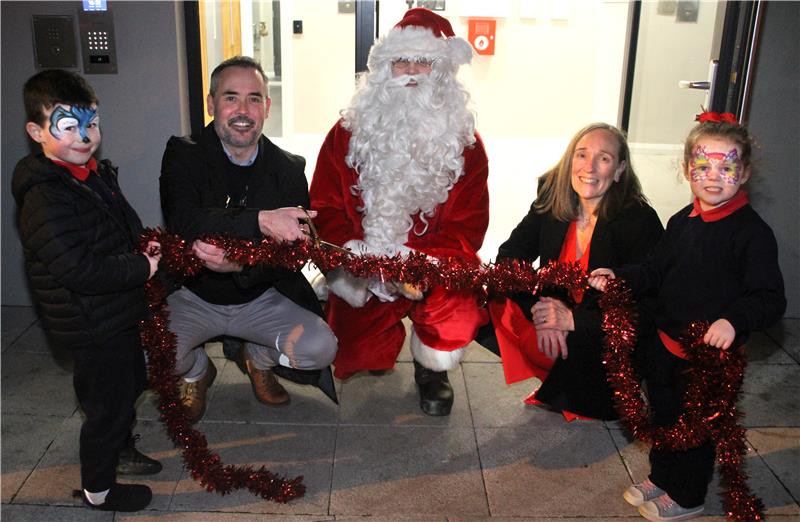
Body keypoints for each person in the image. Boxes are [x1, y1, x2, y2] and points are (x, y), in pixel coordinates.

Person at [589, 115, 786, 521]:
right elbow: (655, 269)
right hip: (665, 344)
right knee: (665, 416)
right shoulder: (683, 220)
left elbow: (770, 298)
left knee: (695, 431)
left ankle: (688, 494)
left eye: (726, 167)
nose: (713, 177)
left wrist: (733, 320)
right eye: (702, 166)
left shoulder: (751, 234)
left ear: (744, 172)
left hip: (709, 361)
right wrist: (620, 276)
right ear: (686, 170)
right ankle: (663, 476)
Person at [309, 8, 489, 417]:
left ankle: (431, 370)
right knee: (352, 345)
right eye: (400, 62)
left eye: (422, 62)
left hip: (434, 265)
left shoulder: (466, 143)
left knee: (455, 309)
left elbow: (468, 225)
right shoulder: (346, 133)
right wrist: (355, 255)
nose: (410, 72)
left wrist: (418, 266)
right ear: (383, 70)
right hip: (364, 265)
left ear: (441, 72)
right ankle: (352, 319)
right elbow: (324, 208)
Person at [12, 70, 163, 512]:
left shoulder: (89, 173)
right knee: (106, 406)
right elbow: (78, 268)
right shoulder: (45, 195)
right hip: (89, 321)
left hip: (114, 311)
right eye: (68, 126)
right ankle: (100, 490)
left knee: (132, 380)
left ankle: (117, 443)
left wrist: (142, 245)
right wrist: (142, 267)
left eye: (91, 123)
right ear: (37, 132)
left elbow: (118, 228)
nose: (85, 135)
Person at [159, 56, 338, 422]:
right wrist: (262, 221)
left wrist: (242, 263)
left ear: (267, 107)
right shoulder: (184, 153)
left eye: (254, 98)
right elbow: (185, 220)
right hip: (193, 294)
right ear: (211, 104)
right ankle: (197, 372)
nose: (243, 110)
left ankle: (258, 360)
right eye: (230, 98)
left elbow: (291, 256)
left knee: (319, 348)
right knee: (145, 355)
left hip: (260, 297)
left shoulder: (289, 169)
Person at [480, 123, 664, 421]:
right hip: (560, 316)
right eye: (581, 155)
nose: (588, 167)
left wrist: (573, 320)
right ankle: (559, 383)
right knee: (485, 302)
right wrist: (543, 311)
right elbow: (509, 259)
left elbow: (649, 303)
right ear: (569, 163)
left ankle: (600, 391)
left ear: (619, 170)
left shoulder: (639, 220)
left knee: (569, 352)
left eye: (603, 158)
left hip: (607, 334)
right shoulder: (551, 203)